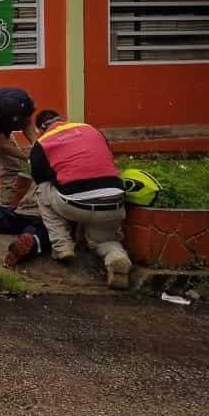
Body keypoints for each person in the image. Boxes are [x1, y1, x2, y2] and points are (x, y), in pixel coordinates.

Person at [29, 109, 132, 289]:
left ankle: (62, 246)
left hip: (75, 204)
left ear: (40, 129)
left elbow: (41, 177)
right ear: (62, 120)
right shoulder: (90, 129)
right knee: (104, 240)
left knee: (43, 189)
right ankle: (117, 257)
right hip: (113, 201)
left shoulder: (43, 142)